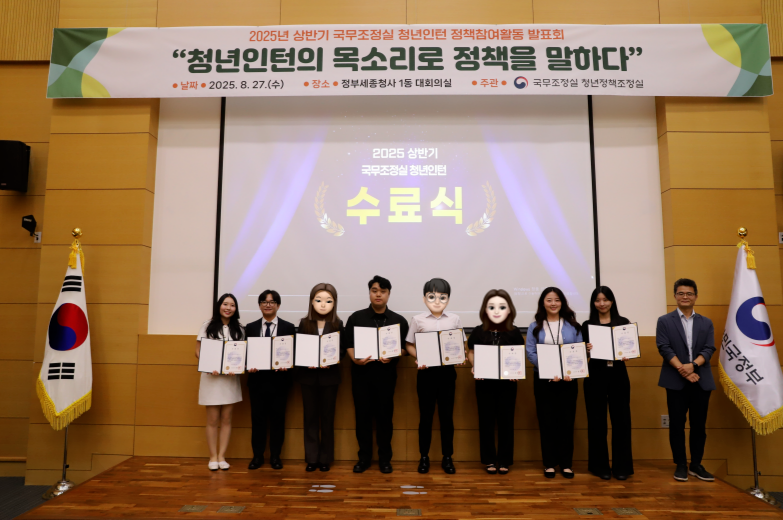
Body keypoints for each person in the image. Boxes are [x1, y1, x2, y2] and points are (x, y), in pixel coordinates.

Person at [343, 275, 409, 474]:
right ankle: (363, 458)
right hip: (361, 376)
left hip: (386, 377)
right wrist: (355, 359)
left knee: (384, 418)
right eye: (374, 290)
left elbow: (406, 348)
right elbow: (348, 344)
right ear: (369, 293)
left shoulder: (398, 320)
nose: (378, 294)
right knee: (362, 418)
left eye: (382, 291)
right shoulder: (356, 318)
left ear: (389, 294)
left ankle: (385, 459)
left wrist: (395, 354)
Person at [656, 278, 716, 482]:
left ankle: (696, 464)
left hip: (701, 379)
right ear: (675, 296)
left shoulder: (706, 322)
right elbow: (664, 348)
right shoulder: (664, 321)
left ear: (696, 296)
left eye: (689, 293)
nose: (685, 297)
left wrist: (693, 366)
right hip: (676, 381)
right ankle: (680, 464)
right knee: (677, 424)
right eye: (681, 293)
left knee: (699, 425)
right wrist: (685, 370)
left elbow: (709, 348)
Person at [405, 278, 467, 475]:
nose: (437, 301)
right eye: (432, 297)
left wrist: (460, 356)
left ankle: (447, 457)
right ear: (424, 299)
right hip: (426, 374)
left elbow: (461, 344)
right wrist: (418, 357)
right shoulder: (418, 320)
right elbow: (409, 344)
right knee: (426, 417)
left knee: (446, 417)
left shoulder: (454, 319)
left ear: (448, 299)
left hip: (447, 374)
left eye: (442, 297)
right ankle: (424, 457)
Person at [525, 287, 582, 479]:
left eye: (557, 300)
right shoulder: (535, 326)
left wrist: (570, 371)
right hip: (543, 380)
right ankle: (549, 464)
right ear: (543, 303)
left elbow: (579, 352)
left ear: (562, 302)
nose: (553, 303)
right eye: (549, 300)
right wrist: (549, 370)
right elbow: (531, 352)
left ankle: (566, 464)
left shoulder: (574, 325)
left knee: (566, 422)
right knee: (547, 421)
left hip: (568, 380)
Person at [467, 289, 524, 475]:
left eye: (502, 307)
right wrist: (475, 366)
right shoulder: (478, 331)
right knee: (486, 421)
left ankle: (505, 460)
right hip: (484, 383)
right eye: (491, 307)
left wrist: (516, 371)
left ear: (509, 310)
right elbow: (471, 352)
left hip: (508, 384)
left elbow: (518, 356)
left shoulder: (514, 332)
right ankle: (490, 460)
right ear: (485, 310)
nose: (496, 311)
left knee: (506, 421)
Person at [582, 286, 633, 480]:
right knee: (596, 422)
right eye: (597, 300)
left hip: (618, 374)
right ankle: (599, 466)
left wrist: (628, 353)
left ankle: (622, 467)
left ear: (612, 301)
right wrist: (586, 349)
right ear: (593, 303)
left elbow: (629, 349)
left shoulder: (623, 323)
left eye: (605, 299)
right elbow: (579, 355)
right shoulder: (587, 325)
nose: (602, 303)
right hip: (595, 375)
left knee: (622, 421)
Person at [295, 283, 345, 472]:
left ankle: (325, 458)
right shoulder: (304, 323)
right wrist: (305, 361)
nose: (323, 305)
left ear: (334, 303)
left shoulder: (338, 324)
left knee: (327, 418)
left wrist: (332, 360)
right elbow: (299, 348)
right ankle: (312, 458)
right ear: (311, 302)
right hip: (308, 377)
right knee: (310, 418)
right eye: (318, 300)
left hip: (329, 377)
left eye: (328, 301)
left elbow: (342, 349)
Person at [245, 290, 297, 470]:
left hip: (280, 381)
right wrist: (248, 365)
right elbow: (246, 353)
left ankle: (275, 456)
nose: (268, 305)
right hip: (257, 381)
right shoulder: (250, 328)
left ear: (278, 305)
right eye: (264, 302)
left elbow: (293, 354)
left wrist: (287, 365)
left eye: (272, 302)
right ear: (259, 305)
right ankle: (257, 456)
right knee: (257, 420)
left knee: (278, 420)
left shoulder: (288, 327)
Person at [195, 293, 244, 471]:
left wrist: (236, 366)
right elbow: (198, 351)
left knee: (226, 419)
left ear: (236, 309)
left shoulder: (239, 329)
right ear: (219, 306)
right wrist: (208, 365)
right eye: (225, 304)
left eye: (232, 305)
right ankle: (212, 457)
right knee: (212, 419)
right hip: (211, 379)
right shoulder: (207, 325)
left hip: (230, 380)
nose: (228, 308)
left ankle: (222, 456)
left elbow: (241, 355)